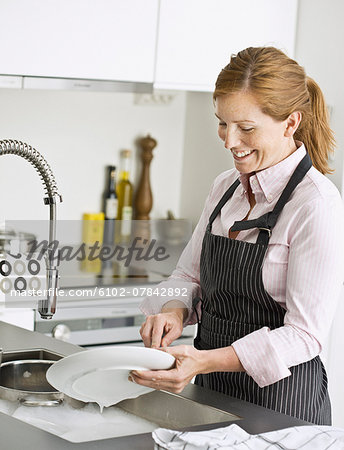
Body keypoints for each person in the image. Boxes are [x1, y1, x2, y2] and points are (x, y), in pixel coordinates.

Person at [130, 46, 344, 425]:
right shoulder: (225, 186)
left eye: (246, 128)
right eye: (222, 123)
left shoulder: (316, 204)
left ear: (290, 123)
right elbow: (188, 276)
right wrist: (174, 312)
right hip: (210, 395)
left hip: (281, 408)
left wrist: (205, 361)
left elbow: (304, 335)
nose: (229, 141)